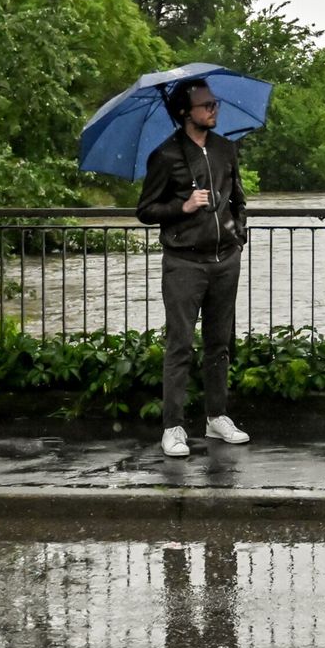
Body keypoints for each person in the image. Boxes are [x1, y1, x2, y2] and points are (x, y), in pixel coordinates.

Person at [136, 79, 250, 458]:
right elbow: (146, 211)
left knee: (219, 344)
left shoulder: (224, 148)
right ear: (185, 112)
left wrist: (239, 237)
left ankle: (216, 417)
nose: (213, 110)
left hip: (224, 262)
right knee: (180, 346)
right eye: (206, 106)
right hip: (184, 263)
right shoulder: (165, 155)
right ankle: (173, 427)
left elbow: (238, 200)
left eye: (215, 104)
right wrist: (181, 208)